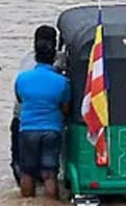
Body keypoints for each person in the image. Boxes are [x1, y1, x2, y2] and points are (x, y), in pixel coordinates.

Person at [14, 38, 71, 198]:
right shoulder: (62, 82)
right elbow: (65, 108)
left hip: (27, 129)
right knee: (49, 175)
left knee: (27, 173)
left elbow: (21, 100)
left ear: (36, 58)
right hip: (52, 130)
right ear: (53, 59)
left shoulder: (22, 78)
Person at [10, 25, 63, 186]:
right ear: (55, 43)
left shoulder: (26, 60)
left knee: (24, 170)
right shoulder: (60, 62)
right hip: (50, 125)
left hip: (23, 122)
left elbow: (19, 97)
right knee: (49, 173)